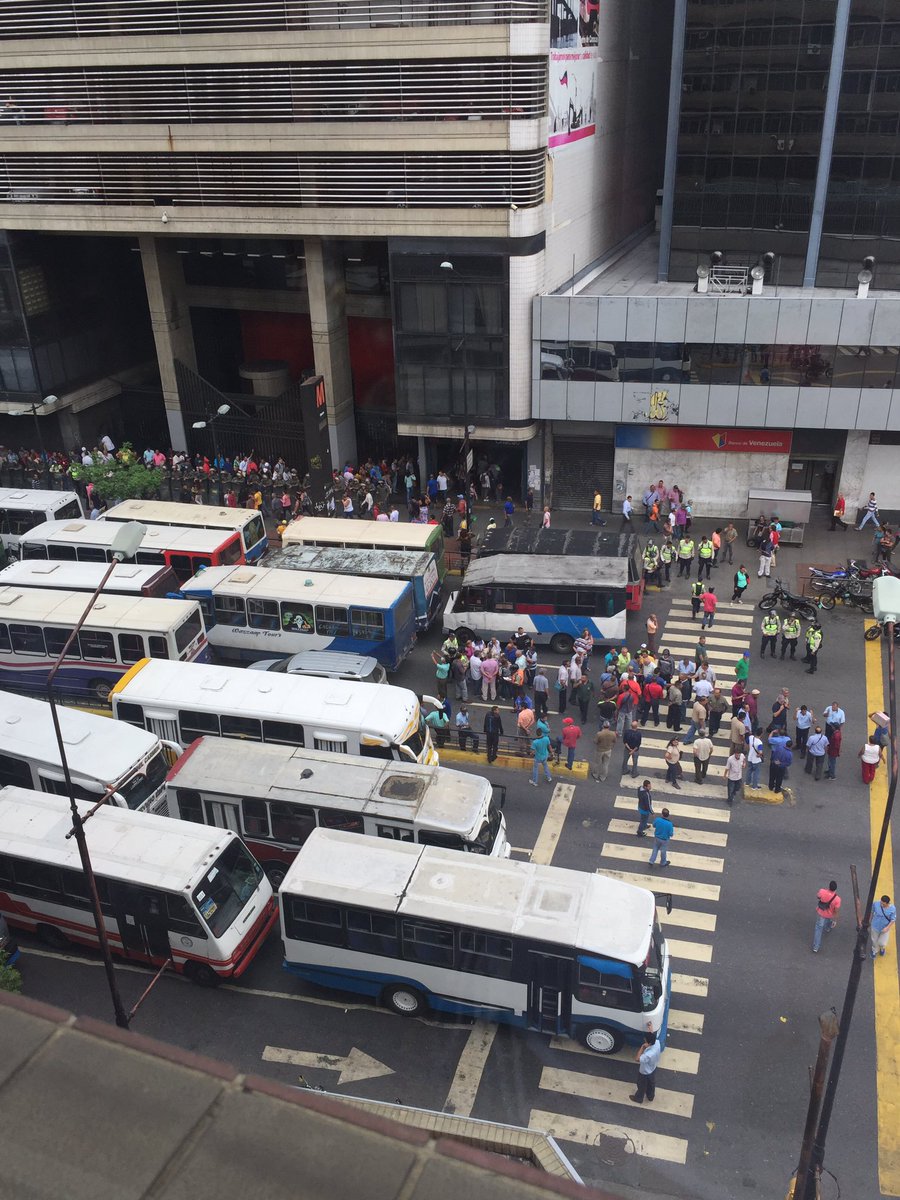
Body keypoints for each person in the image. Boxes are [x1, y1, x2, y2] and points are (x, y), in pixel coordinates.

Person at [630, 1024, 662, 1104]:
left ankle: (638, 1098)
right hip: (653, 1068)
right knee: (651, 1084)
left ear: (648, 1043)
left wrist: (642, 1047)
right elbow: (654, 1037)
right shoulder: (657, 1043)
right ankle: (650, 1097)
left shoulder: (648, 1055)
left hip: (644, 1072)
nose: (644, 1040)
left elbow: (637, 1059)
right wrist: (650, 1029)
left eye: (645, 1039)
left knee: (641, 1085)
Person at [813, 881, 841, 953]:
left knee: (819, 929)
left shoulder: (822, 891)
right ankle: (828, 927)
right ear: (835, 889)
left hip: (821, 913)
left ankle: (816, 947)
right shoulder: (837, 899)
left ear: (829, 887)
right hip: (829, 914)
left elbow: (818, 896)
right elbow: (836, 911)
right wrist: (835, 920)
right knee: (828, 921)